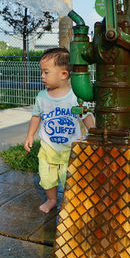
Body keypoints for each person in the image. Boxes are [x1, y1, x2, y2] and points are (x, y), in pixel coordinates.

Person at [24, 47, 94, 213]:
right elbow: (36, 116)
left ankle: (72, 201)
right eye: (42, 72)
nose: (42, 76)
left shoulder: (75, 96)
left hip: (70, 149)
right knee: (47, 177)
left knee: (69, 178)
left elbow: (86, 115)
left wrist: (94, 131)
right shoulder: (42, 97)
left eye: (46, 72)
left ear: (63, 74)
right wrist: (29, 135)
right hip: (48, 148)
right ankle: (52, 200)